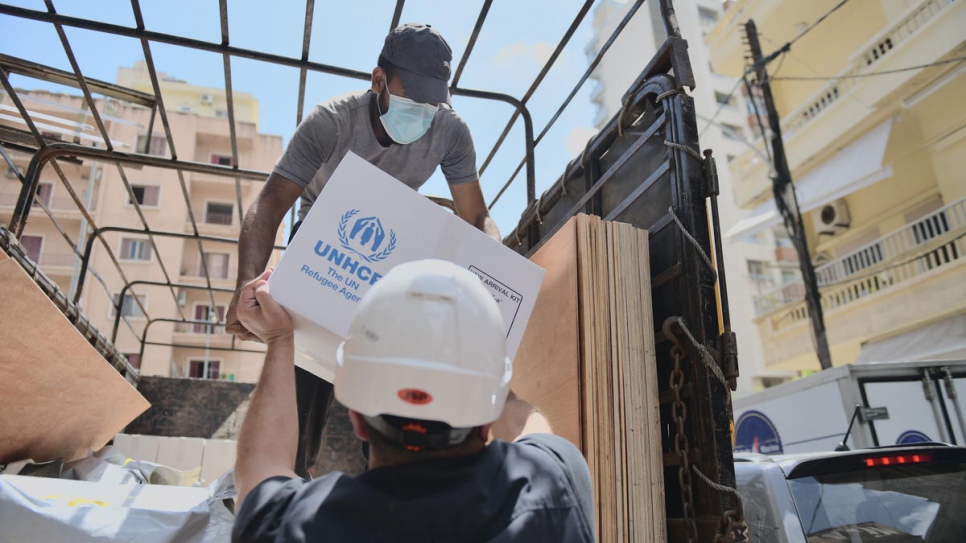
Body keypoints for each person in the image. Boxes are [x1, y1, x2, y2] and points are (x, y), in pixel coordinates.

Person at [225, 23, 499, 478]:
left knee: (389, 374)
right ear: (378, 81)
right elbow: (270, 203)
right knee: (303, 375)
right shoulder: (331, 121)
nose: (424, 112)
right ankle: (288, 481)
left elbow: (476, 217)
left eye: (433, 103)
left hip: (398, 246)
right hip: (321, 244)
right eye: (412, 98)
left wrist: (499, 268)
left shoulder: (450, 132)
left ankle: (390, 489)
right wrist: (244, 285)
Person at [232, 260, 596, 542]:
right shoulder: (553, 484)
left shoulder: (294, 528)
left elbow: (259, 468)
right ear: (487, 415)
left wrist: (280, 337)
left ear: (356, 415)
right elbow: (522, 420)